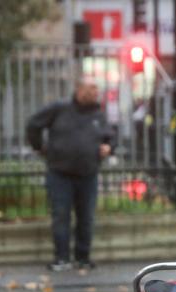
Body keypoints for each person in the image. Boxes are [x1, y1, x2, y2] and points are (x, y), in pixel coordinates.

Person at [27, 77, 114, 271]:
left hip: (88, 173)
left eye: (96, 88)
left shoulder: (97, 114)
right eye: (92, 88)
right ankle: (62, 258)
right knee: (60, 215)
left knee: (86, 217)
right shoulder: (59, 109)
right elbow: (33, 124)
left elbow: (110, 137)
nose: (95, 92)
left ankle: (82, 257)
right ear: (79, 89)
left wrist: (109, 147)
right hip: (60, 173)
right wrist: (39, 147)